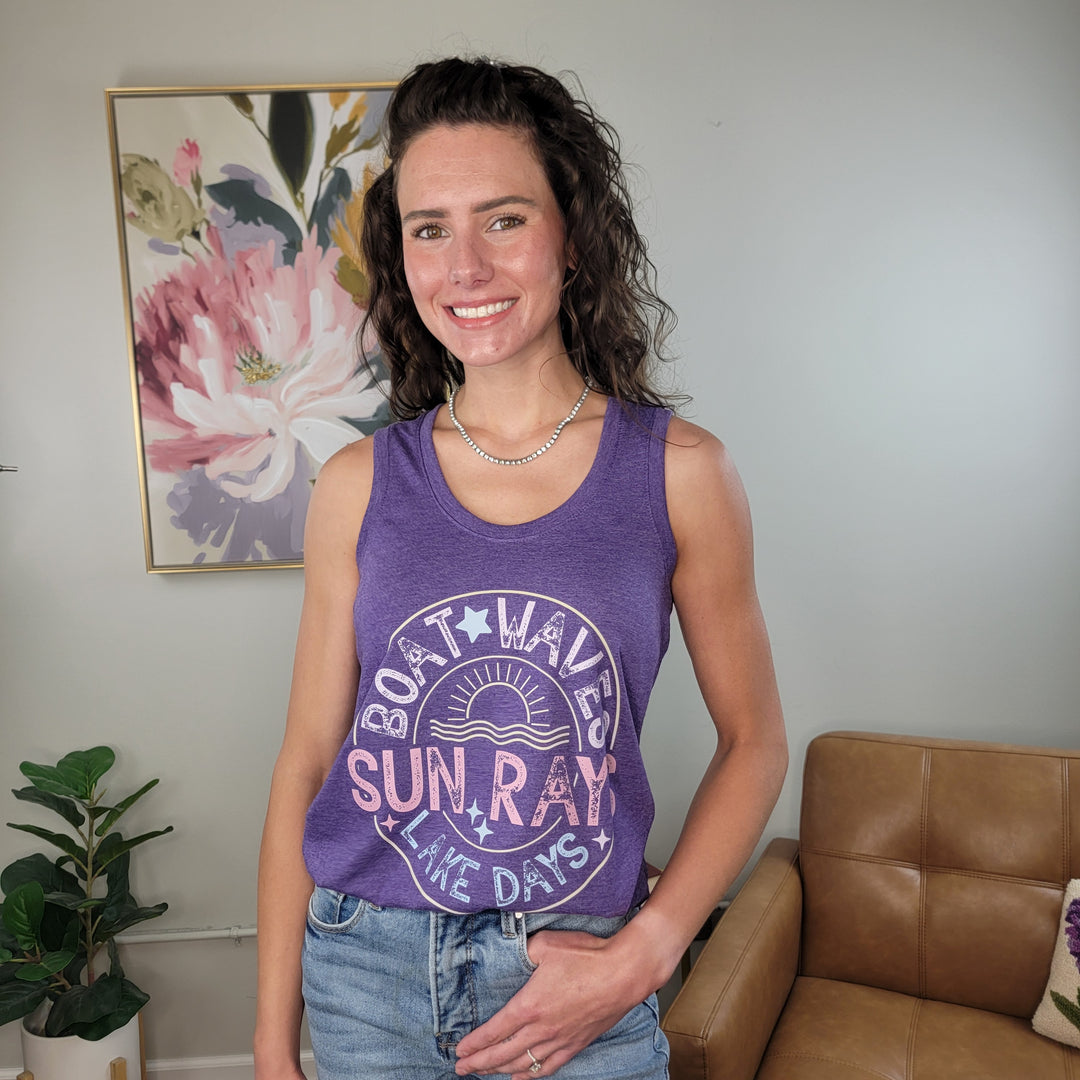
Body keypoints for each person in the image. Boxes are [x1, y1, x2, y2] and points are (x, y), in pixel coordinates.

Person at [254, 57, 787, 1080]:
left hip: (574, 975)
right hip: (366, 977)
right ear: (401, 258)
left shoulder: (681, 475)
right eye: (429, 228)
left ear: (572, 238)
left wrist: (647, 951)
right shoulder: (358, 486)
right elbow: (307, 765)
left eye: (503, 219)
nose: (465, 267)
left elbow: (757, 740)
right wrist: (273, 1047)